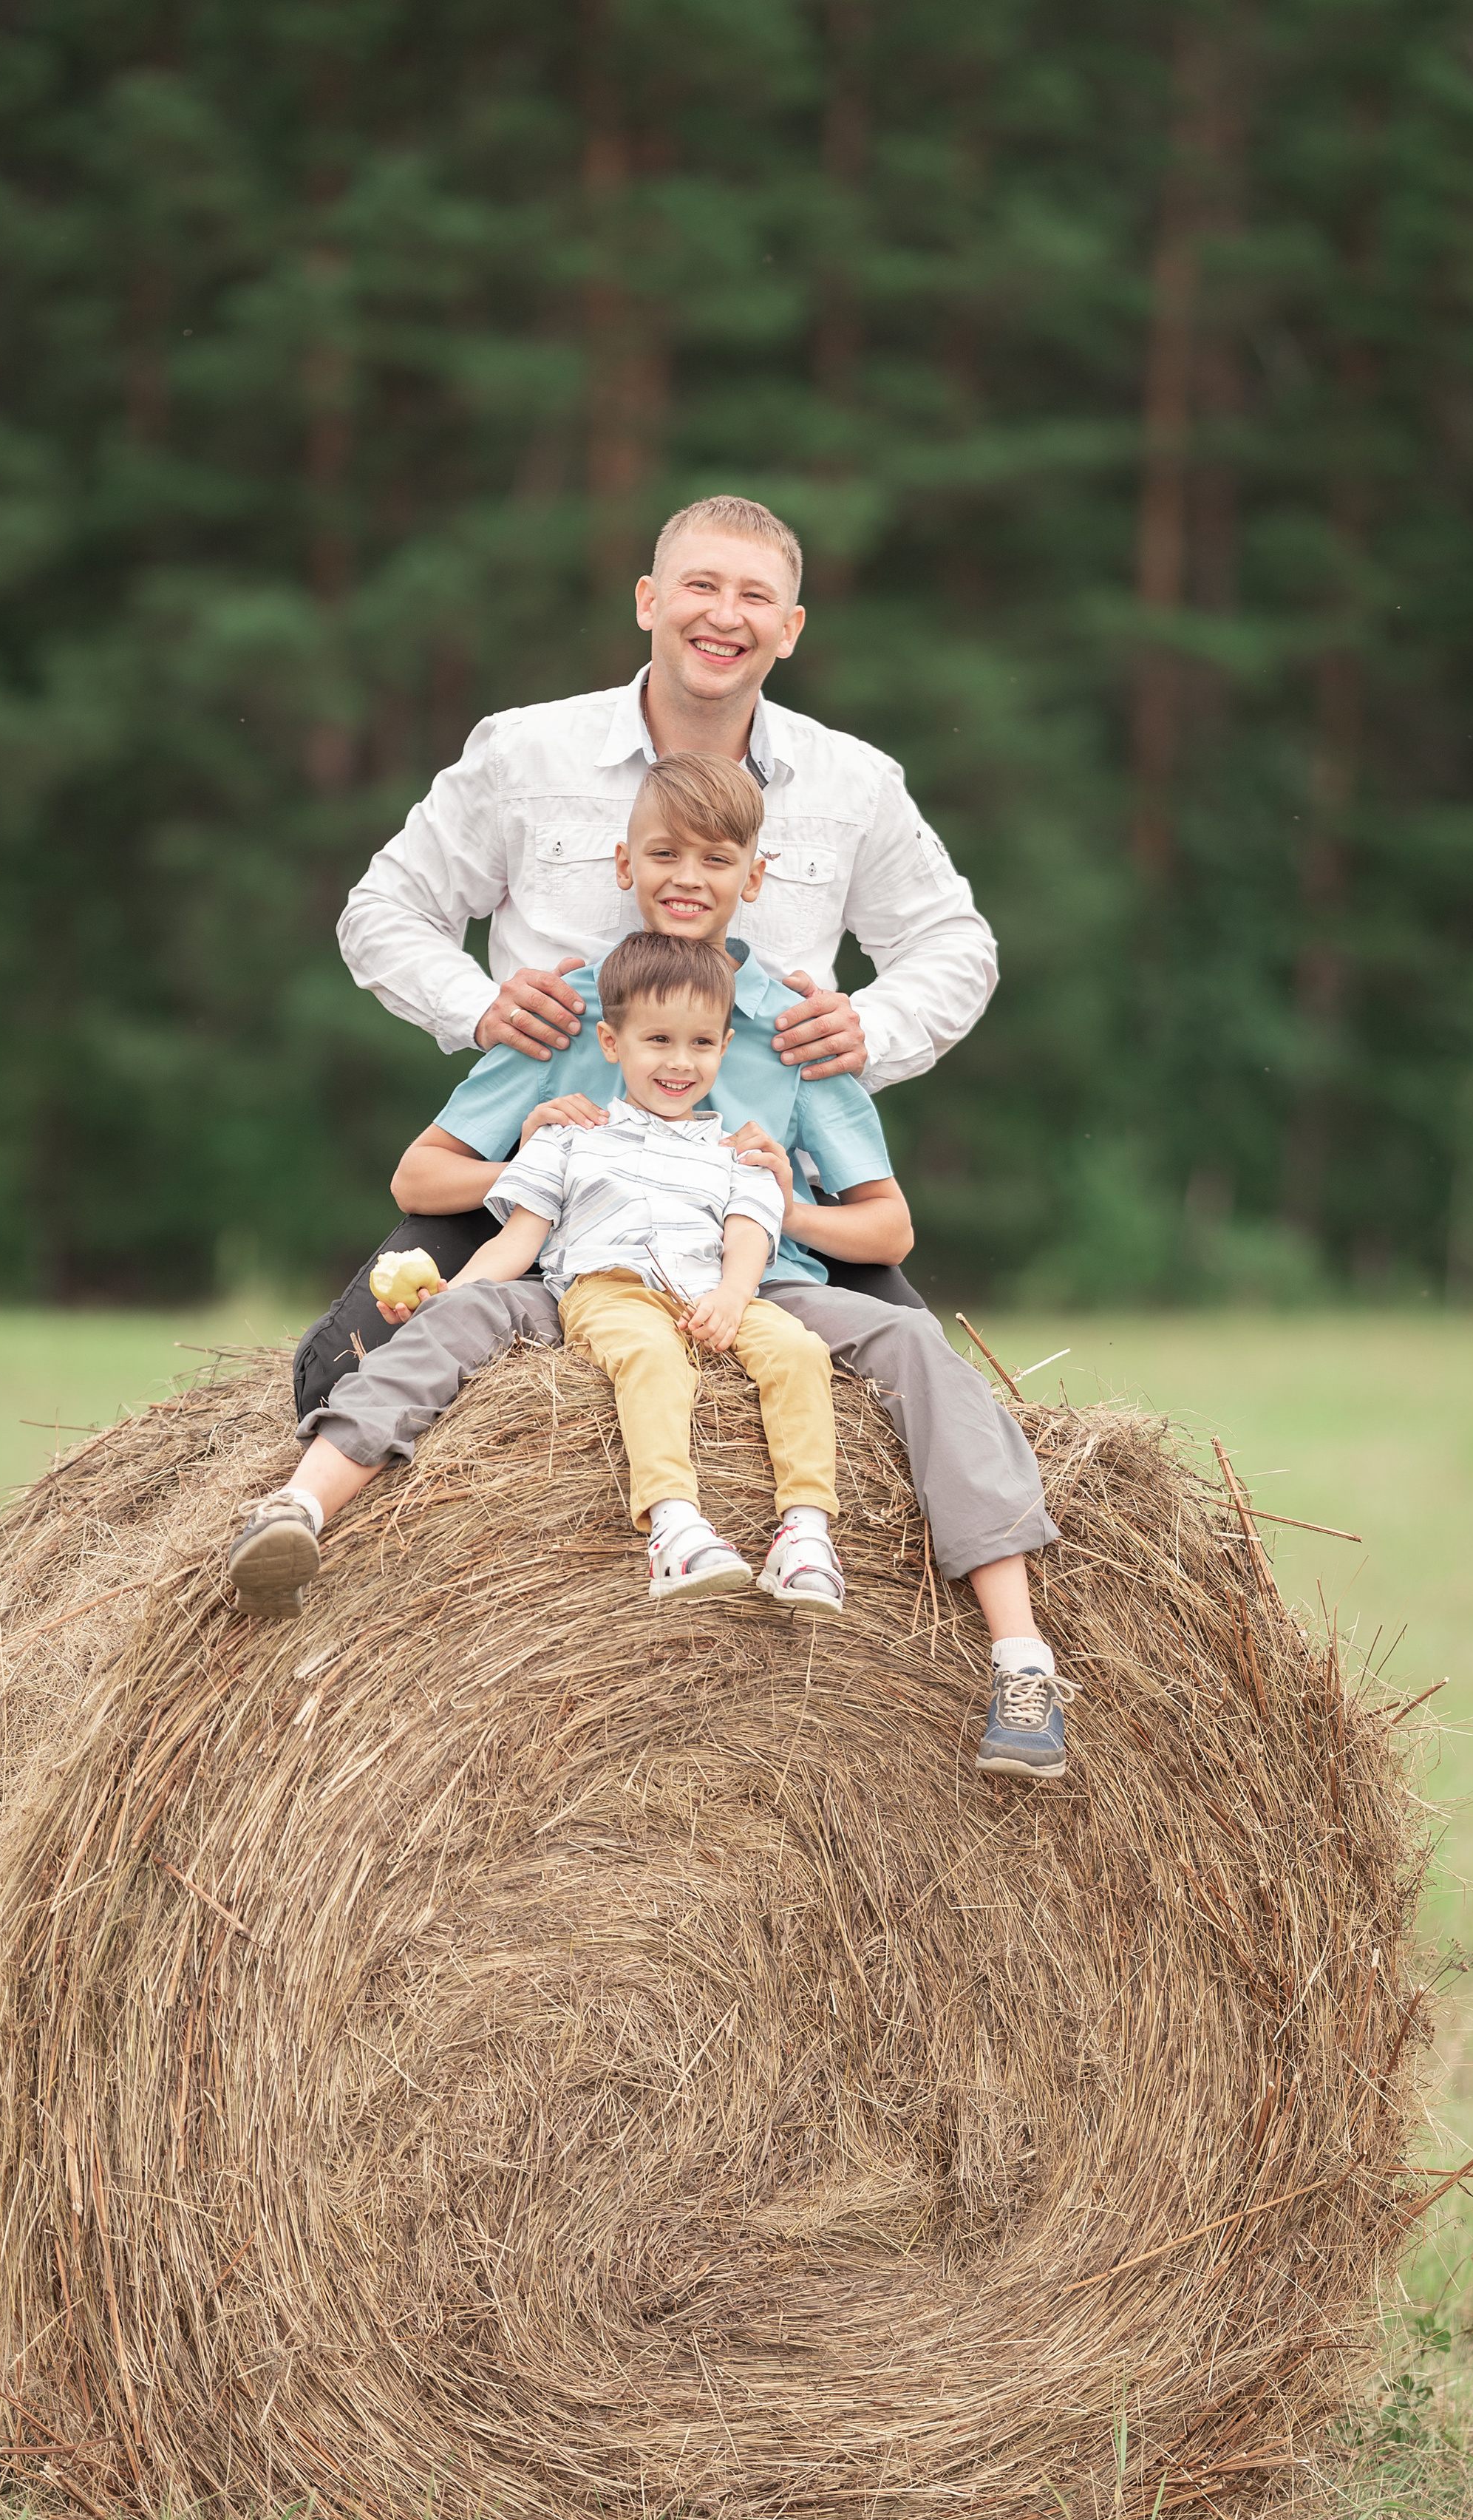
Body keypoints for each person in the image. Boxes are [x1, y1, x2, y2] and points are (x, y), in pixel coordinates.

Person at [229, 755, 1072, 1779]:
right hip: (584, 1273)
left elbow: (887, 1233)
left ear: (753, 877)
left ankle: (1020, 1654)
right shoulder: (575, 1008)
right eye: (665, 853)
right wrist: (528, 1149)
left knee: (911, 1340)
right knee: (454, 1319)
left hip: (760, 1274)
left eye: (717, 858)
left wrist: (778, 1191)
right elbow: (421, 1173)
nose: (689, 876)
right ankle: (298, 1507)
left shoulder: (795, 1024)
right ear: (624, 863)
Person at [298, 489, 996, 1405]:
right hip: (540, 1172)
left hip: (755, 1200)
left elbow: (954, 942)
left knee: (931, 1404)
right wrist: (477, 1006)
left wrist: (873, 1026)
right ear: (646, 602)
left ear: (788, 630)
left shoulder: (854, 782)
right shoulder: (524, 752)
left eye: (753, 597)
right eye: (698, 585)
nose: (722, 614)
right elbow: (385, 907)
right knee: (340, 1373)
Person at [449, 927, 865, 1612]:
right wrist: (452, 1293)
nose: (681, 1061)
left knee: (798, 1348)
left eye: (702, 1043)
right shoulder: (570, 1137)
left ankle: (806, 1533)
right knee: (650, 1356)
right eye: (659, 1041)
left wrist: (734, 1297)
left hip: (707, 1289)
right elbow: (515, 1244)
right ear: (612, 1045)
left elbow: (749, 1230)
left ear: (725, 1048)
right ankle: (674, 1526)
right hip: (610, 1291)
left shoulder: (736, 1151)